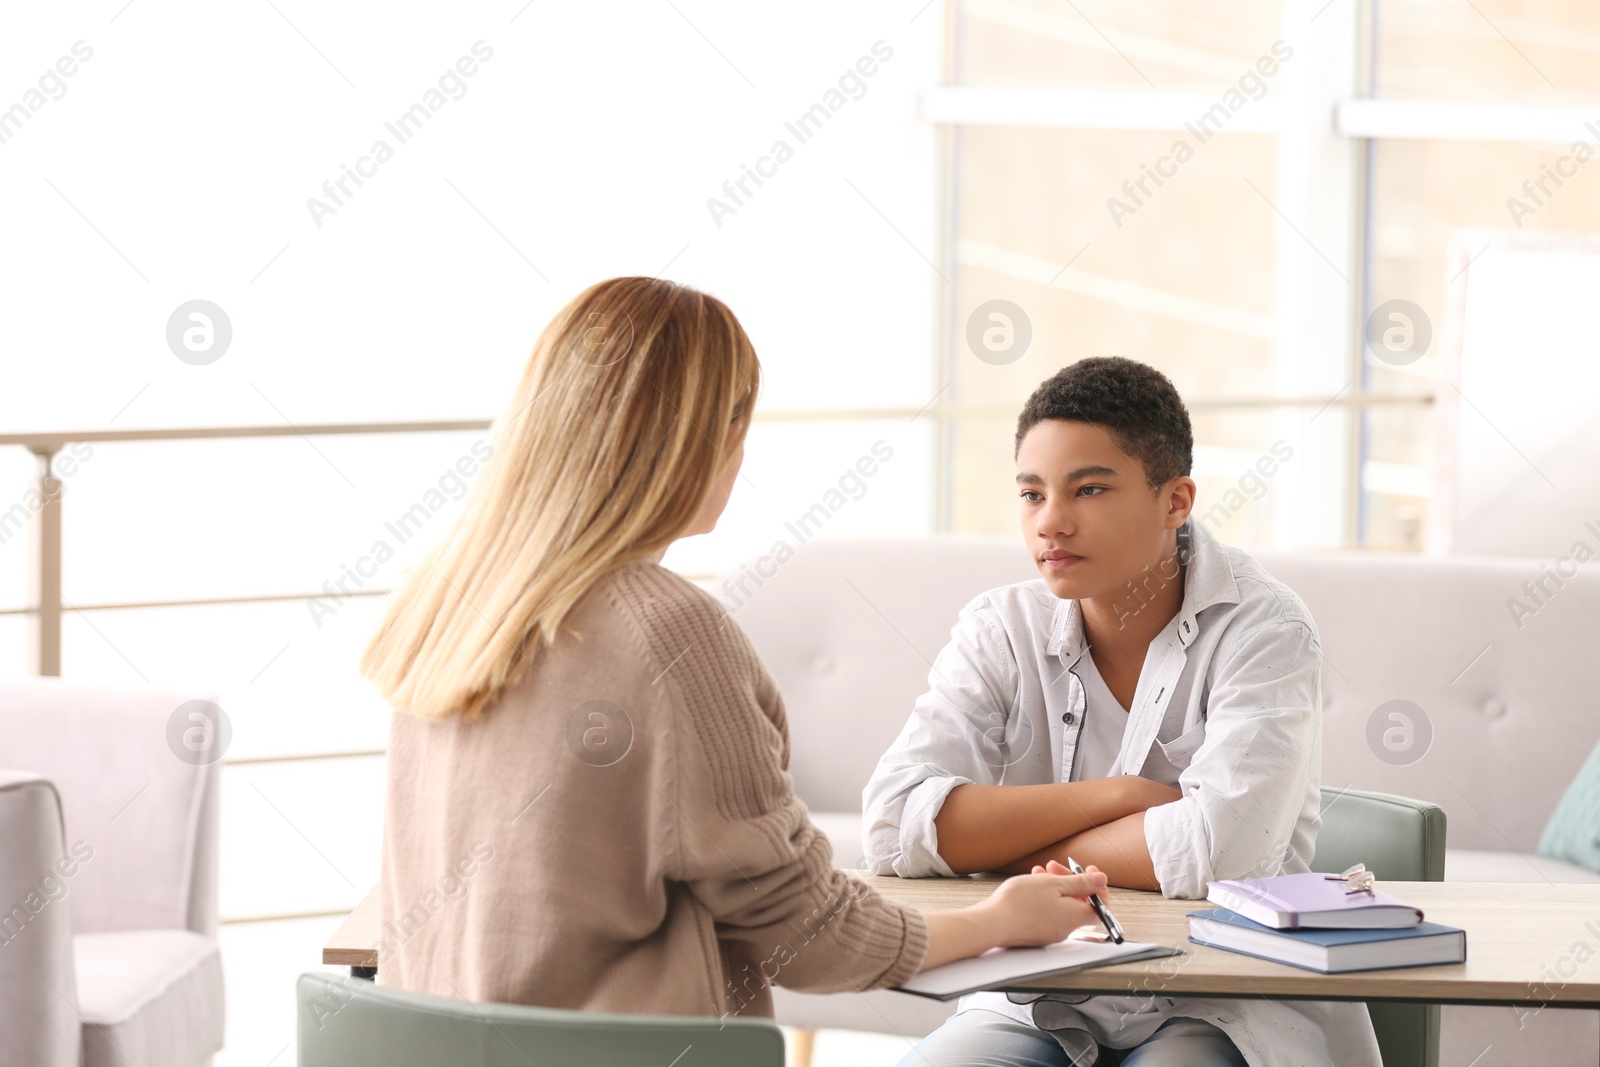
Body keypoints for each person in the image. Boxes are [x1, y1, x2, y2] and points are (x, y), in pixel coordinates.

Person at [359, 276, 1108, 1022]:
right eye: (738, 427)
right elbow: (810, 934)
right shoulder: (668, 634)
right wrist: (1001, 919)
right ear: (698, 441)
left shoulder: (444, 605)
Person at [863, 358, 1383, 1066]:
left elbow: (1220, 852)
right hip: (1037, 989)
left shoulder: (1267, 628)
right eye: (1031, 492)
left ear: (1176, 500)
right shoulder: (999, 627)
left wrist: (988, 844)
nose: (1052, 521)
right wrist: (1119, 797)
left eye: (1091, 488)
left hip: (1220, 995)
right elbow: (894, 825)